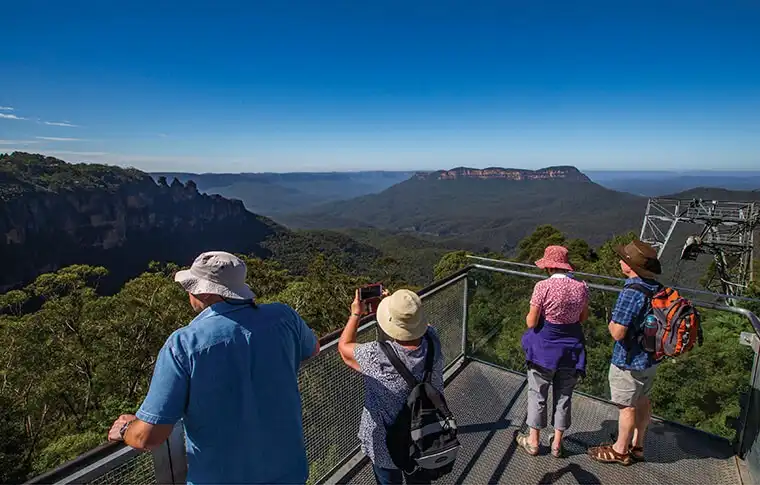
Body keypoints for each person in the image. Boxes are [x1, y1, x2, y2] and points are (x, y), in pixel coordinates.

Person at [107, 251, 320, 484]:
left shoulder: (183, 345)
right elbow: (313, 349)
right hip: (289, 473)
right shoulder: (284, 317)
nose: (188, 293)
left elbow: (148, 437)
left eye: (191, 286)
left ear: (205, 291)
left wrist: (127, 427)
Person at [338, 288, 444, 485]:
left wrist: (356, 313)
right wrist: (400, 312)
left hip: (386, 443)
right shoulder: (433, 338)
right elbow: (422, 327)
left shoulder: (377, 356)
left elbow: (344, 348)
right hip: (424, 435)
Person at [588, 240, 663, 466]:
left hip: (629, 360)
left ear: (630, 266)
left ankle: (620, 450)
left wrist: (610, 322)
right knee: (642, 400)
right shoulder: (656, 288)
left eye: (623, 258)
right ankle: (637, 445)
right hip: (651, 357)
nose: (620, 260)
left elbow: (618, 332)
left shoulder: (632, 291)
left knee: (626, 406)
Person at [516, 245, 589, 458]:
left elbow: (531, 321)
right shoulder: (581, 287)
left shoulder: (542, 287)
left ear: (548, 267)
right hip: (571, 349)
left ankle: (534, 441)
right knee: (564, 395)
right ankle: (557, 444)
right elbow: (583, 318)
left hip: (544, 350)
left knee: (537, 393)